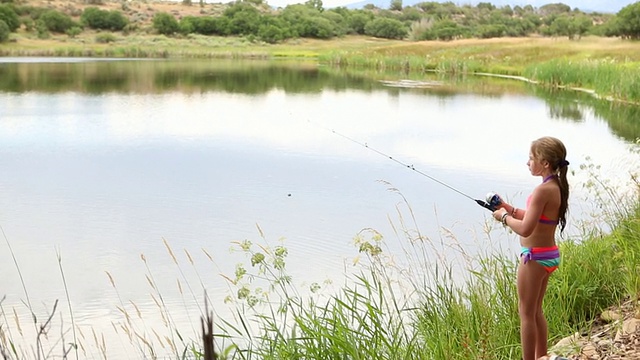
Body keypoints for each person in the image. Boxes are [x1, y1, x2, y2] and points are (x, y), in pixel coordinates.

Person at [491, 136, 570, 360]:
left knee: (525, 313)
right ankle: (542, 356)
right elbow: (538, 219)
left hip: (534, 258)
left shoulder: (542, 191)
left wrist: (503, 217)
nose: (528, 162)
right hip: (549, 255)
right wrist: (510, 209)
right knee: (536, 312)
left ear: (545, 163)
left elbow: (525, 230)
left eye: (531, 158)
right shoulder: (556, 186)